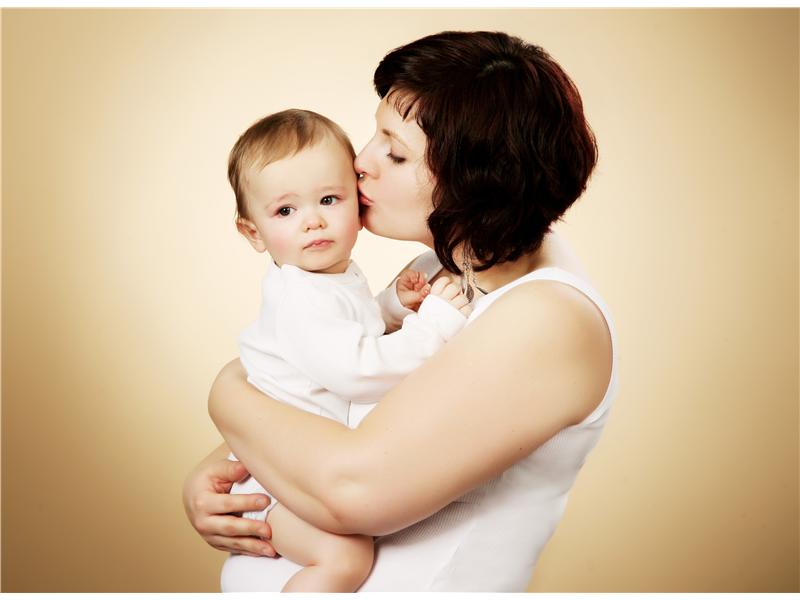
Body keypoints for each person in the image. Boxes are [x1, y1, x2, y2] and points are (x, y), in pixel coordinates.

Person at [183, 30, 618, 592]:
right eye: (374, 135)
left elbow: (352, 490)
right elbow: (323, 400)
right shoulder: (442, 270)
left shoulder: (547, 316)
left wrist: (227, 391)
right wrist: (223, 466)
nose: (359, 162)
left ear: (474, 182)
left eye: (394, 152)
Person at [223, 108, 472, 591]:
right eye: (285, 211)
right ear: (253, 232)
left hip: (299, 464)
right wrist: (433, 327)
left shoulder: (325, 276)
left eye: (329, 199)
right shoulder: (298, 296)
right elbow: (356, 371)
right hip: (273, 481)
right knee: (344, 557)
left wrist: (392, 307)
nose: (313, 221)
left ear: (356, 203)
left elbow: (349, 331)